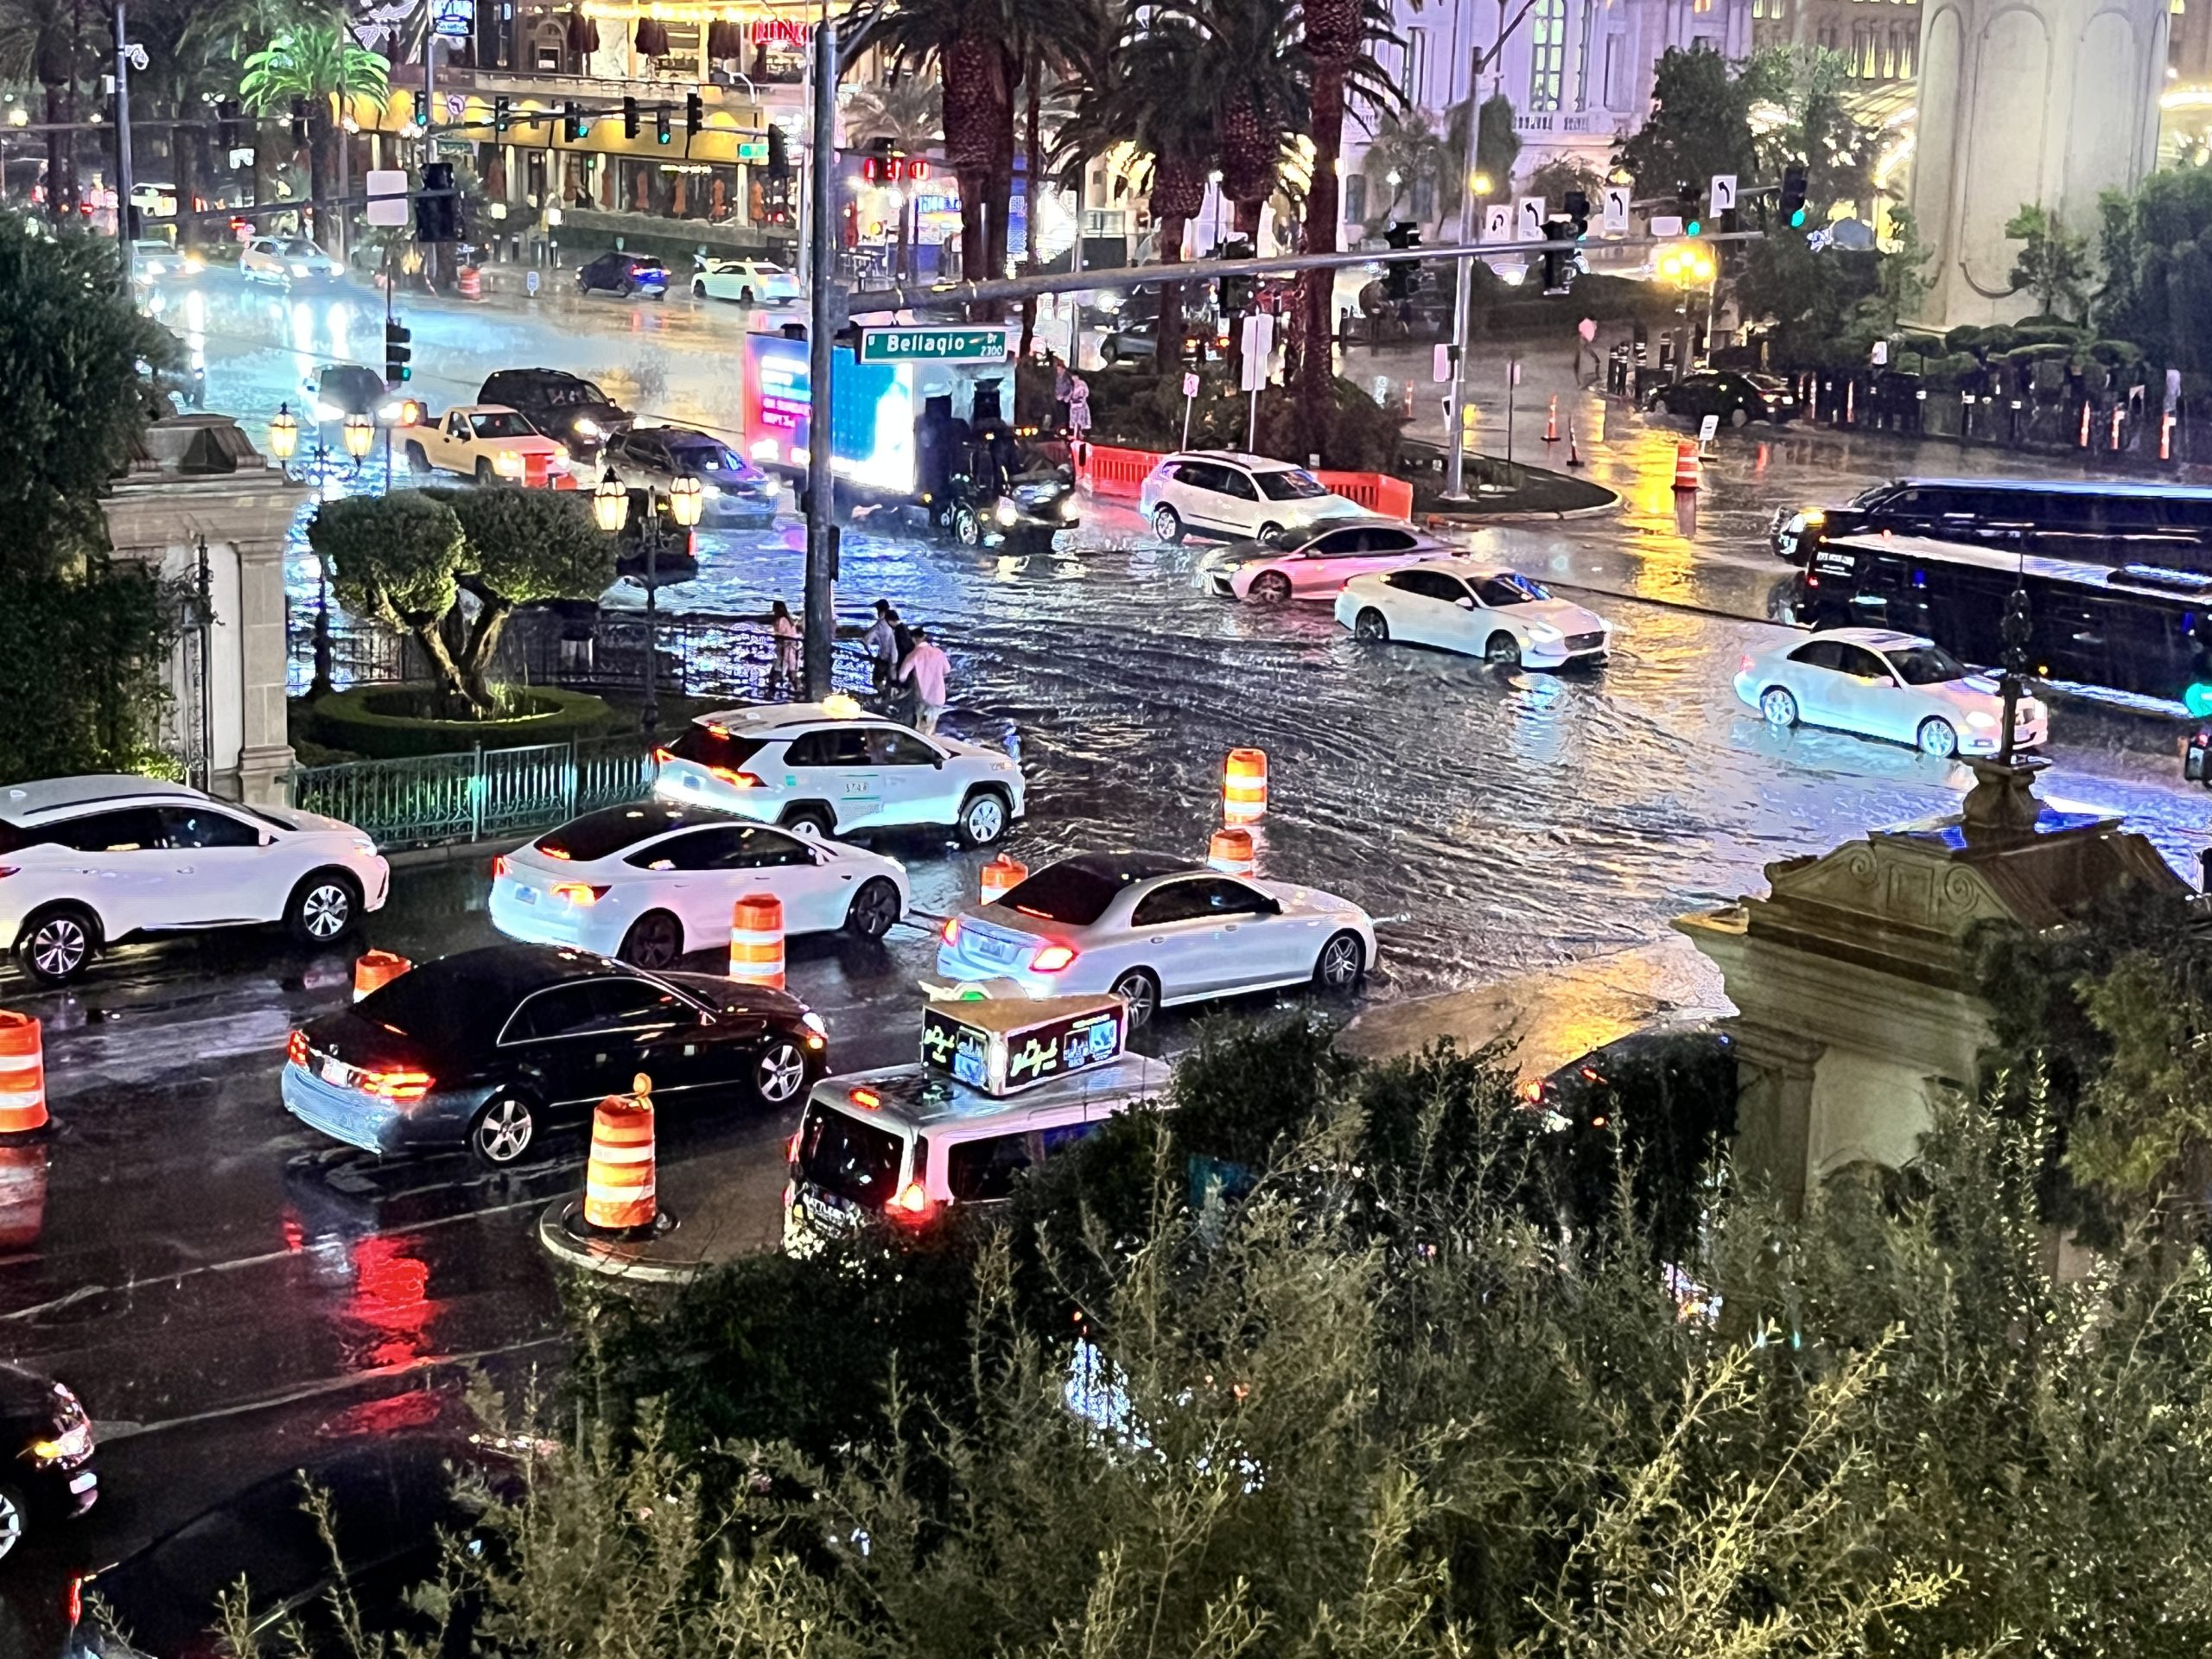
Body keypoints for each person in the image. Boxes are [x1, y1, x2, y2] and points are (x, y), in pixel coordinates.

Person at [895, 626, 952, 734]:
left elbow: (902, 676)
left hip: (921, 695)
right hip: (938, 695)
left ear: (913, 639)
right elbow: (947, 670)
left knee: (918, 722)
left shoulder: (914, 655)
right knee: (932, 722)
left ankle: (919, 742)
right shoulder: (939, 652)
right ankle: (931, 741)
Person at [863, 599, 899, 694]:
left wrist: (871, 655)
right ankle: (891, 696)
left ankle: (882, 695)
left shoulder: (879, 625)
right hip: (897, 659)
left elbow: (866, 640)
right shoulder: (895, 621)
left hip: (884, 659)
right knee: (892, 682)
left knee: (877, 680)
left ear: (880, 611)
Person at [769, 600, 801, 696]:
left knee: (776, 671)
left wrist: (774, 636)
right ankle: (798, 691)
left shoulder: (781, 620)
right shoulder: (790, 620)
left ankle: (771, 692)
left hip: (784, 648)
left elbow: (781, 635)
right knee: (792, 672)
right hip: (792, 649)